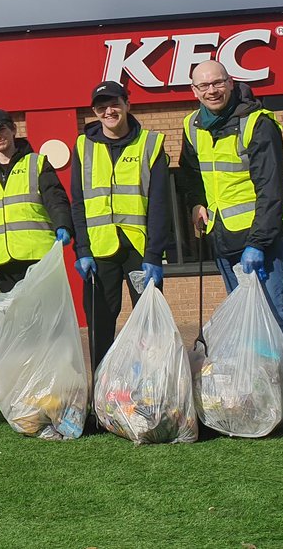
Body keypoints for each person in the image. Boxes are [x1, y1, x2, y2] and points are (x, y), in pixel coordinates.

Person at [178, 60, 283, 438]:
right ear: (194, 91)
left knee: (276, 321)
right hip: (223, 238)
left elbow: (271, 189)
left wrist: (259, 242)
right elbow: (189, 174)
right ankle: (261, 402)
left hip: (260, 242)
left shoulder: (259, 123)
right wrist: (195, 204)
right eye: (203, 86)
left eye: (217, 82)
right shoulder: (193, 126)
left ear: (230, 82)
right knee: (248, 331)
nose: (211, 90)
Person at [69, 82, 170, 372]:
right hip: (99, 252)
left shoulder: (150, 143)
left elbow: (160, 204)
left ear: (128, 104)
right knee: (100, 326)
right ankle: (102, 398)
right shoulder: (82, 146)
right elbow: (79, 203)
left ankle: (154, 388)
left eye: (114, 104)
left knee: (150, 325)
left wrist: (154, 253)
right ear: (95, 112)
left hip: (140, 251)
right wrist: (82, 249)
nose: (108, 111)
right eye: (101, 107)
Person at [0, 109, 73, 292]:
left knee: (44, 317)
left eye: (1, 130)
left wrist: (63, 224)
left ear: (14, 129)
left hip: (39, 257)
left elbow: (56, 199)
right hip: (2, 261)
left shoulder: (36, 163)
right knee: (15, 319)